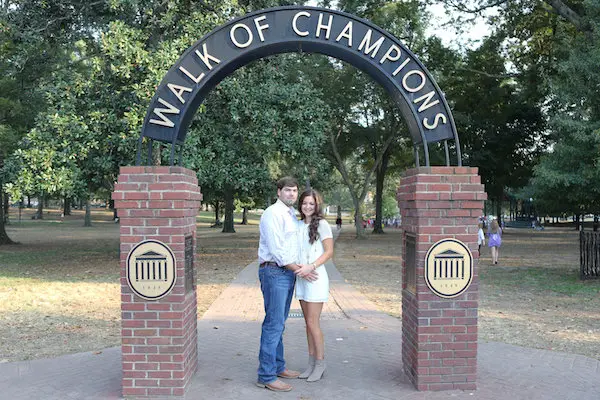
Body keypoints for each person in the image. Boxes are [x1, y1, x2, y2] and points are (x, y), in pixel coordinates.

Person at [256, 177, 318, 392]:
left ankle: (278, 366)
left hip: (286, 272)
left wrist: (300, 267)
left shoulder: (290, 214)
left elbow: (291, 246)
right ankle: (266, 375)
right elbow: (277, 250)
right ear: (279, 191)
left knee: (279, 322)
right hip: (274, 271)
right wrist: (299, 269)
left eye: (294, 190)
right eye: (288, 190)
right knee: (273, 323)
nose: (292, 194)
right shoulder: (272, 214)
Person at [294, 189, 334, 383]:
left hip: (316, 277)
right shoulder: (298, 224)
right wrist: (301, 268)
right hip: (302, 277)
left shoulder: (323, 225)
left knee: (313, 322)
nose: (307, 207)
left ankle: (320, 363)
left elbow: (329, 252)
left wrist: (312, 266)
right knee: (307, 324)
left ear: (317, 205)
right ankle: (310, 363)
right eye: (304, 203)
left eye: (311, 203)